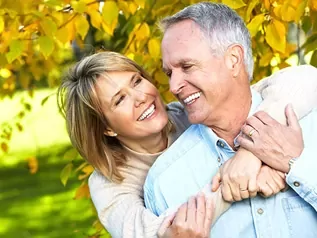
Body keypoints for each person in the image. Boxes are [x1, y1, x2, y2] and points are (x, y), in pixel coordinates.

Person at [58, 53, 316, 237]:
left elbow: (302, 80)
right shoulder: (110, 183)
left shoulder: (190, 113)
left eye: (136, 81)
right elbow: (164, 234)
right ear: (107, 128)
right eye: (119, 100)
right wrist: (250, 178)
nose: (141, 98)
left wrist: (252, 153)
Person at [143, 2, 317, 237]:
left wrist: (296, 167)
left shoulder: (311, 121)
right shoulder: (164, 182)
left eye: (187, 66)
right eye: (169, 73)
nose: (173, 86)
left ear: (233, 59)